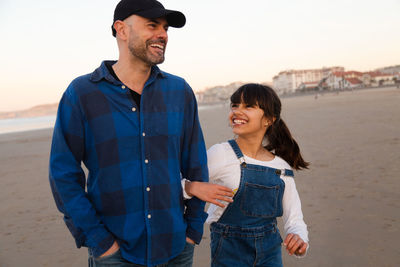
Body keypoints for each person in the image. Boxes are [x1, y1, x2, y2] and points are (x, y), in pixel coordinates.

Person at [48, 0, 231, 266]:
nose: (163, 34)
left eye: (166, 28)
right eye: (152, 25)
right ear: (121, 30)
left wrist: (192, 230)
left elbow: (195, 165)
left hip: (175, 247)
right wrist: (99, 240)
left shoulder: (179, 92)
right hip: (114, 251)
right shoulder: (82, 93)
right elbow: (63, 174)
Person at [204, 83, 310, 267]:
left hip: (270, 255)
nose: (237, 111)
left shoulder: (281, 167)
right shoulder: (220, 153)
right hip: (229, 253)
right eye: (235, 105)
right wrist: (190, 188)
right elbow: (180, 185)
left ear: (268, 119)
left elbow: (294, 218)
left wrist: (300, 239)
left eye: (248, 106)